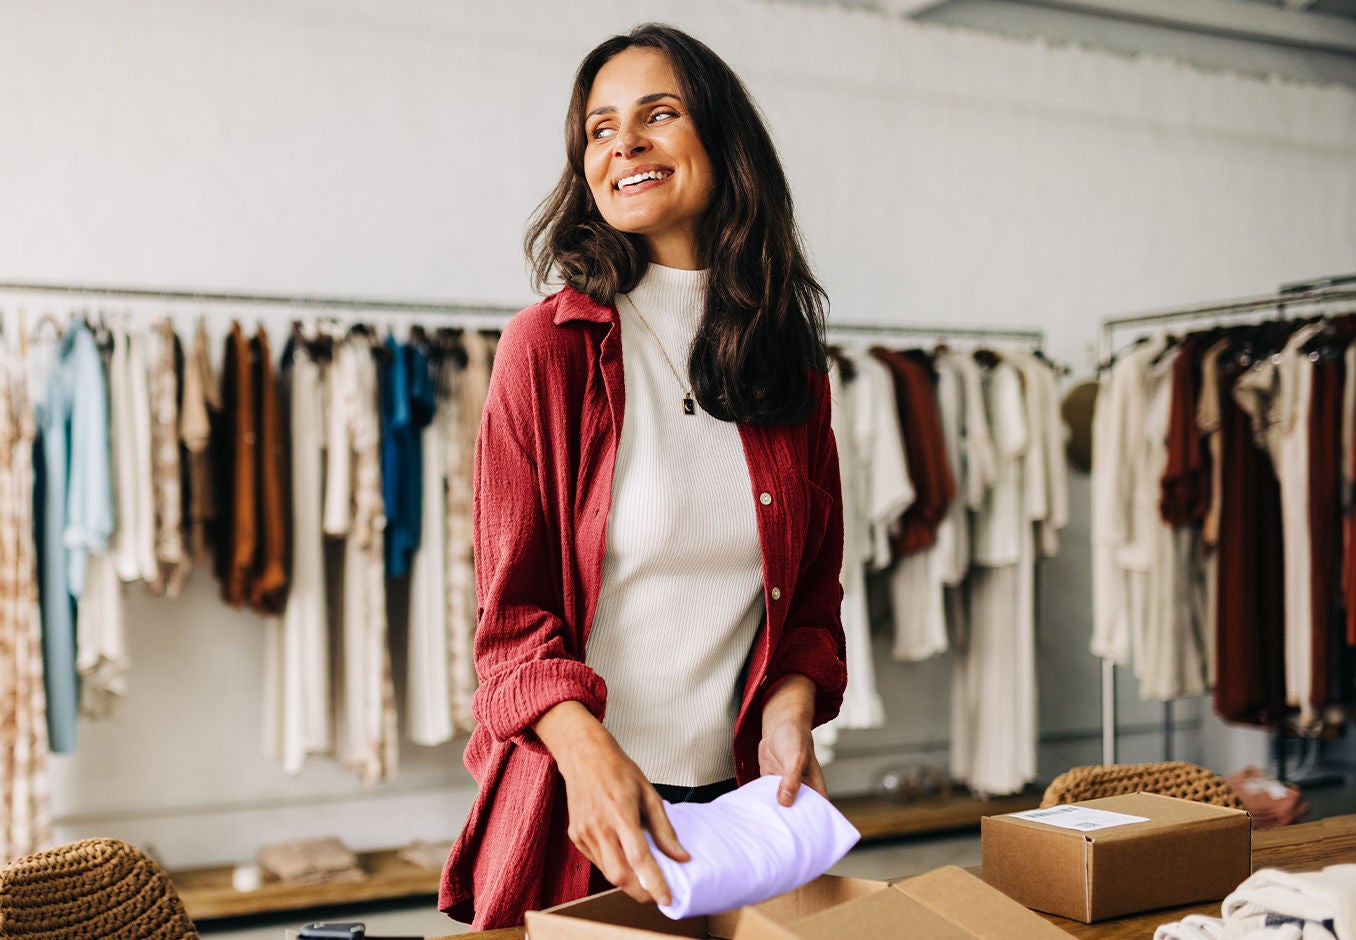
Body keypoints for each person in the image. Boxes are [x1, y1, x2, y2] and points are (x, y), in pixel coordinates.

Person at [438, 22, 847, 931]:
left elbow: (812, 598)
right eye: (599, 128)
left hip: (739, 824)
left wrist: (790, 709)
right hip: (582, 811)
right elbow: (511, 629)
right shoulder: (546, 351)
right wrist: (585, 755)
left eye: (658, 114)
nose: (623, 143)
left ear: (723, 140)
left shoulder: (792, 369)